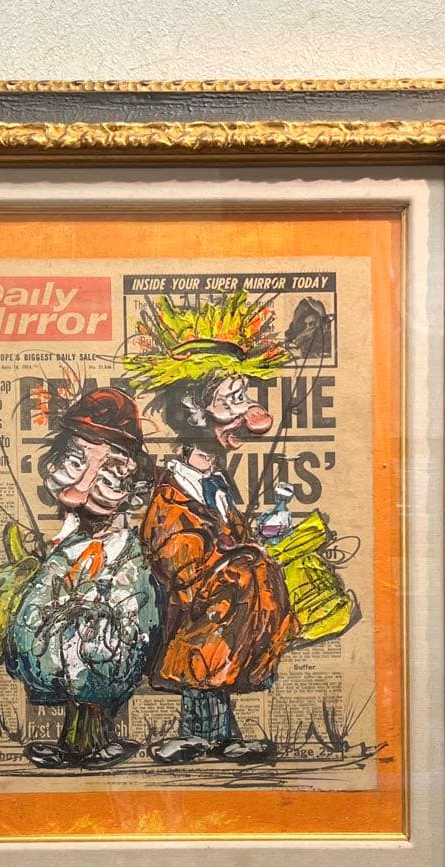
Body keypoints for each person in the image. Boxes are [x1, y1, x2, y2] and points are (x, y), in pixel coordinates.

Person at [124, 293, 300, 765]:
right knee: (211, 636)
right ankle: (199, 735)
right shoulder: (171, 491)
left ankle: (217, 735)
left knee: (238, 610)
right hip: (187, 609)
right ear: (193, 409)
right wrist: (233, 558)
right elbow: (174, 555)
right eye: (233, 400)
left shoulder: (216, 485)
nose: (247, 412)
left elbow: (227, 538)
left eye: (245, 397)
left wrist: (252, 542)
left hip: (221, 609)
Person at [5, 387, 160, 770]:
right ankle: (73, 744)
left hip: (103, 646)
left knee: (96, 661)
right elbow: (42, 597)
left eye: (109, 478)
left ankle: (94, 741)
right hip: (61, 647)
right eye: (75, 463)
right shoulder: (66, 548)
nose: (80, 491)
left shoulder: (127, 555)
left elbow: (131, 608)